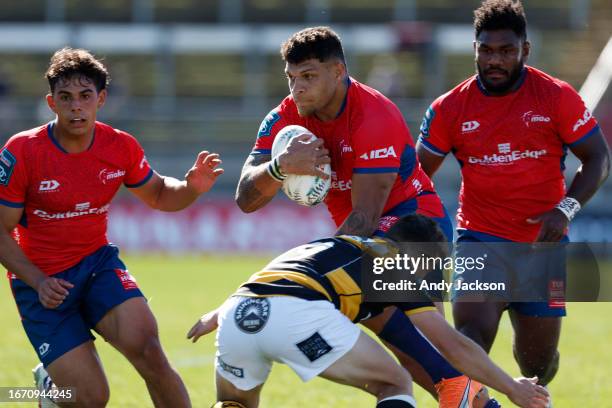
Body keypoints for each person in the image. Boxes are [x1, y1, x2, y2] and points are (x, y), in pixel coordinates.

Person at [234, 25, 479, 403]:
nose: (296, 88)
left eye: (309, 76)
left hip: (413, 221)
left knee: (421, 340)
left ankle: (480, 398)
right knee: (415, 350)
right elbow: (245, 199)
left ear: (338, 72)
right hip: (358, 236)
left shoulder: (373, 114)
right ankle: (472, 396)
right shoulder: (283, 117)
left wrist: (310, 274)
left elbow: (366, 217)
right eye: (291, 78)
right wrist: (278, 168)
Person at [0, 48, 224, 407]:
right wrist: (38, 281)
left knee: (150, 350)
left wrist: (192, 188)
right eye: (66, 98)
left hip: (97, 266)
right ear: (51, 102)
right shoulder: (23, 151)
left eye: (85, 96)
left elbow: (161, 195)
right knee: (89, 398)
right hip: (41, 282)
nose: (76, 106)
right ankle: (47, 391)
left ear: (101, 99)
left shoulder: (119, 146)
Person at [415, 0, 610, 403]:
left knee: (537, 364)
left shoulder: (556, 96)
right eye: (486, 50)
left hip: (543, 247)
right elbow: (416, 180)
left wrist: (565, 209)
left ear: (526, 49)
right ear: (475, 49)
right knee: (468, 340)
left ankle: (534, 375)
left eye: (506, 51)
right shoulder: (449, 108)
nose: (495, 60)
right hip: (479, 239)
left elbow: (598, 158)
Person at [188, 214, 549, 408]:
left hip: (239, 312)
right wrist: (511, 387)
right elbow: (449, 344)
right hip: (296, 316)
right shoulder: (395, 267)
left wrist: (219, 313)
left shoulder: (338, 245)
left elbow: (275, 280)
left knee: (234, 404)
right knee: (394, 383)